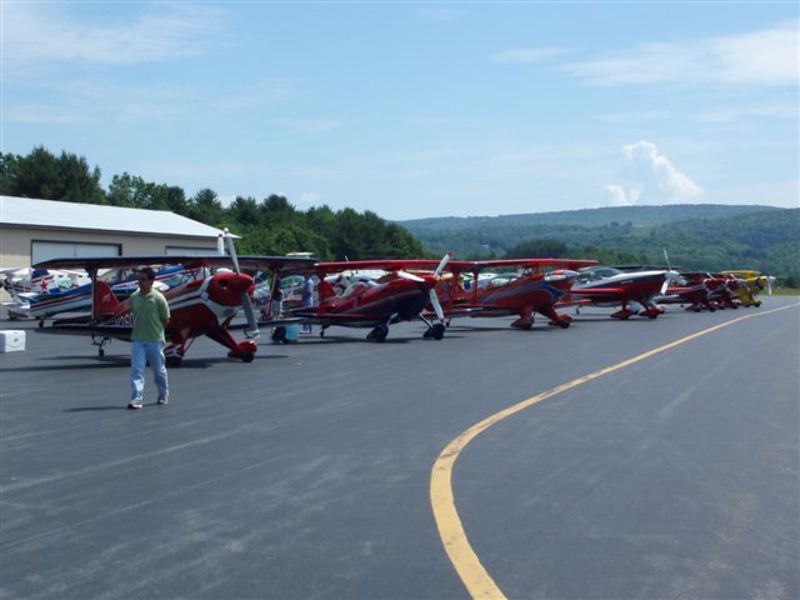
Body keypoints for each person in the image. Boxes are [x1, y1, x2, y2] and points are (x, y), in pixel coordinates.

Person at [128, 267, 170, 409]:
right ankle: (137, 398)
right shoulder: (134, 297)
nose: (140, 282)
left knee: (159, 371)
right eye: (139, 279)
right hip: (138, 339)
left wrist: (156, 329)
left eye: (143, 279)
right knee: (137, 370)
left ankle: (163, 394)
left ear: (151, 281)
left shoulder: (159, 298)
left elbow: (165, 319)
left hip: (155, 339)